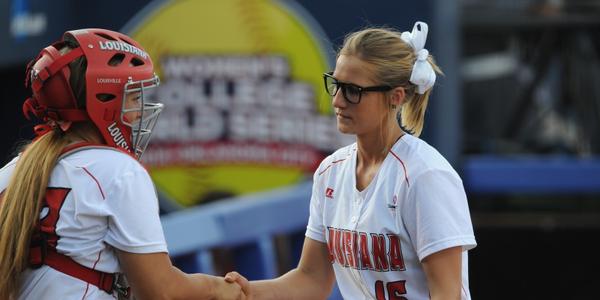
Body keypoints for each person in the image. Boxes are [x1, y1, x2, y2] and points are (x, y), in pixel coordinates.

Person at [224, 21, 477, 299]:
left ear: (396, 97)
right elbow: (311, 279)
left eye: (353, 90)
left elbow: (446, 294)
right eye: (336, 84)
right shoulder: (330, 171)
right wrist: (248, 291)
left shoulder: (425, 175)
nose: (338, 101)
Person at [0, 28, 245, 300]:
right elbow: (161, 292)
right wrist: (217, 288)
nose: (140, 110)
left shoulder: (13, 170)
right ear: (102, 101)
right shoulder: (118, 170)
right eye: (134, 98)